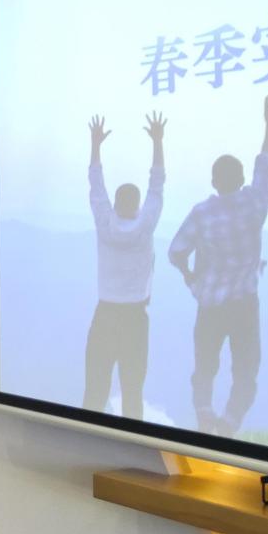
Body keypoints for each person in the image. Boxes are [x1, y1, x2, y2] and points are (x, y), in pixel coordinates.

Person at [169, 95, 268, 437]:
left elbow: (175, 251)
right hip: (245, 304)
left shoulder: (202, 213)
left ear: (214, 181)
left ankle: (204, 416)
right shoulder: (254, 202)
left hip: (210, 305)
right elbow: (265, 167)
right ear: (242, 178)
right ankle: (229, 425)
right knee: (246, 369)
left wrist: (190, 276)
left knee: (205, 366)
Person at [82, 112, 166, 420]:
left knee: (95, 391)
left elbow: (96, 185)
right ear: (137, 204)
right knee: (133, 393)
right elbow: (157, 185)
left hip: (105, 314)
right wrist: (158, 141)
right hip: (135, 319)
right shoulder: (146, 224)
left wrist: (95, 145)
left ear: (116, 203)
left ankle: (85, 438)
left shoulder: (105, 222)